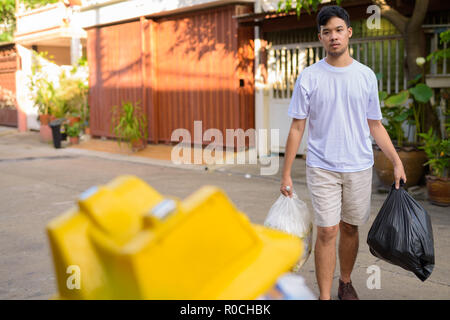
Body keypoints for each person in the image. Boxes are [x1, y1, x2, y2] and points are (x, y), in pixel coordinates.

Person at [280, 5, 407, 300]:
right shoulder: (309, 76)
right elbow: (297, 127)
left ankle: (345, 283)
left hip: (359, 166)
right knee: (327, 231)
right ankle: (324, 296)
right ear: (320, 38)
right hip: (322, 166)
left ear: (349, 33)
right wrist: (286, 173)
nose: (333, 37)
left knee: (350, 227)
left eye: (338, 30)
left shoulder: (365, 76)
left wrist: (396, 161)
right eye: (327, 32)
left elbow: (375, 125)